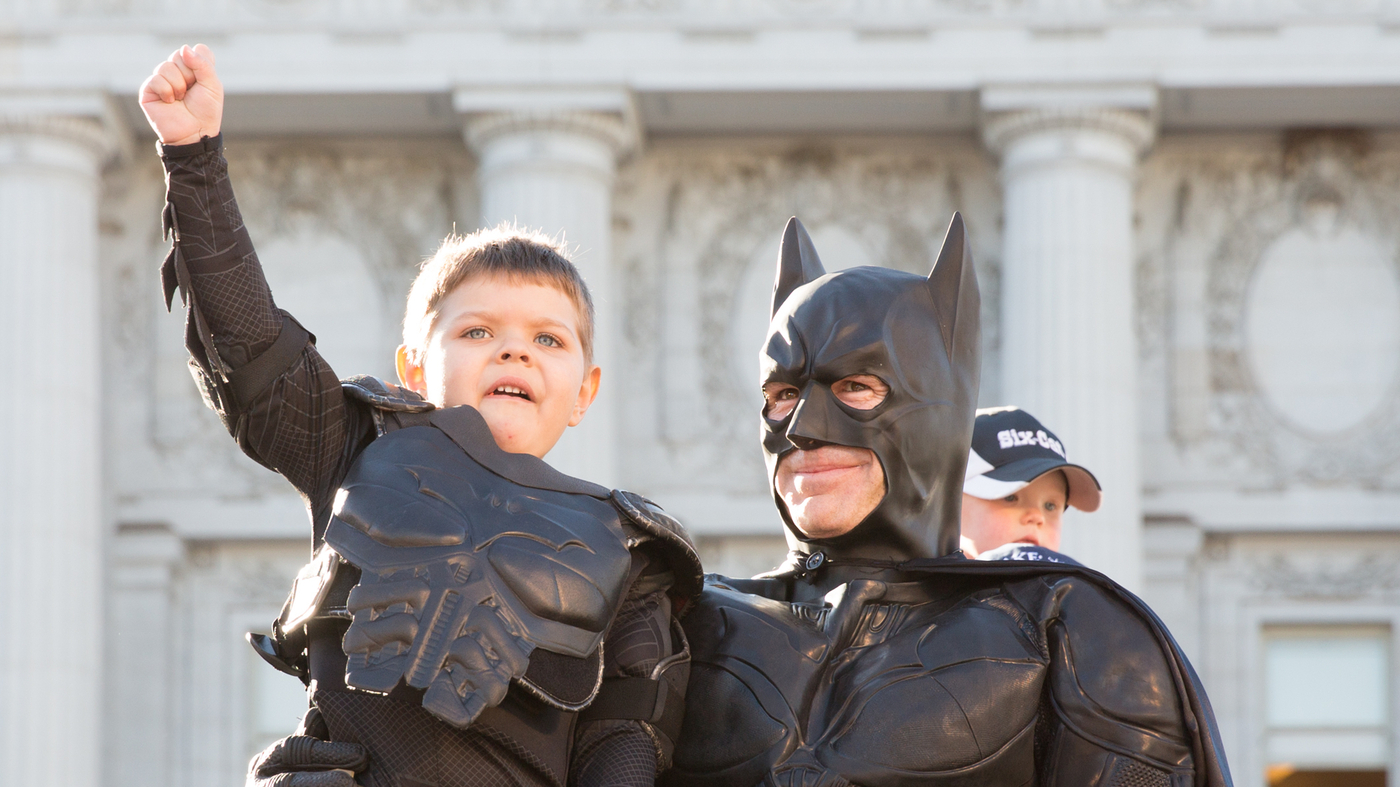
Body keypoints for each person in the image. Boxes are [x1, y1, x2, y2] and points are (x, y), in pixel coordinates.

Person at [140, 45, 700, 787]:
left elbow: (624, 749)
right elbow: (252, 349)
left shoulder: (632, 558)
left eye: (547, 339)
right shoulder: (359, 450)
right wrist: (194, 158)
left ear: (585, 389)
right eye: (477, 332)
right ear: (414, 370)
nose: (514, 353)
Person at [659, 216, 1231, 786]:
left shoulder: (1069, 630)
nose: (802, 428)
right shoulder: (682, 622)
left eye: (855, 387)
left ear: (942, 411)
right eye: (783, 394)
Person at [959, 406, 1101, 565]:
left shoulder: (1072, 587)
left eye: (1050, 506)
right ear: (949, 507)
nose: (1037, 516)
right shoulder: (928, 587)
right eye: (1010, 496)